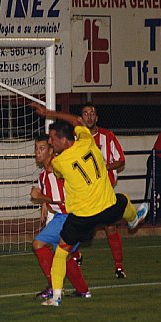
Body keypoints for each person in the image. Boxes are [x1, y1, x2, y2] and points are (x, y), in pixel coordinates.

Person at [31, 103, 148, 307]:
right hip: (106, 208)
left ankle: (56, 297)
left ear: (64, 140)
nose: (50, 142)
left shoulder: (59, 163)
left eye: (52, 139)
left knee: (61, 252)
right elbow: (76, 121)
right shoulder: (87, 140)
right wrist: (51, 114)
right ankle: (133, 218)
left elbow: (58, 168)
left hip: (82, 216)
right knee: (123, 200)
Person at [31, 134, 91, 299]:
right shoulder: (43, 175)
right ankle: (83, 290)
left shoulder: (58, 168)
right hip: (61, 217)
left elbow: (64, 200)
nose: (37, 152)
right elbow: (52, 195)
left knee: (44, 246)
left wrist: (40, 197)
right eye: (36, 148)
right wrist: (44, 203)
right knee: (60, 253)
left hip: (73, 216)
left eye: (42, 148)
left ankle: (53, 286)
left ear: (51, 150)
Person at [80, 102, 128, 278]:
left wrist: (105, 166)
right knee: (77, 226)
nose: (89, 116)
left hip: (105, 192)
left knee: (110, 227)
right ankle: (76, 256)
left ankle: (119, 266)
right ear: (81, 118)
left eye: (92, 113)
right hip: (85, 192)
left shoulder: (107, 136)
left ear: (97, 117)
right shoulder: (76, 139)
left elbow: (121, 160)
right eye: (85, 113)